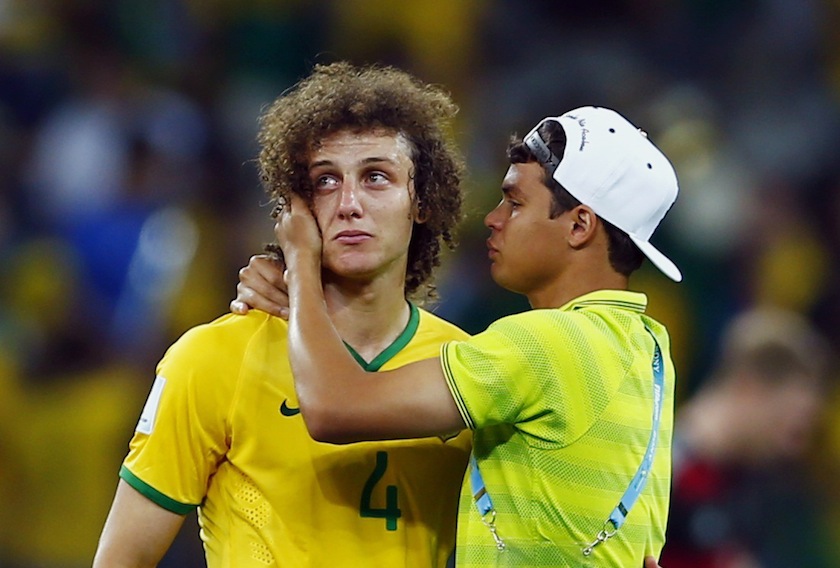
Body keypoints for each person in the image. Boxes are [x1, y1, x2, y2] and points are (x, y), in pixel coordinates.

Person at [94, 61, 473, 568]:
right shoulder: (212, 358)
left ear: (420, 201)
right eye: (325, 182)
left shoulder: (466, 367)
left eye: (376, 177)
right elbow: (123, 558)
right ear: (292, 210)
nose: (349, 204)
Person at [268, 106, 681, 566]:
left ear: (579, 226)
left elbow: (334, 408)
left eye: (516, 203)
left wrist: (300, 263)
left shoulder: (545, 344)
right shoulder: (650, 349)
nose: (493, 218)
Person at [660, 307, 834, 567]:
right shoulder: (663, 471)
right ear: (749, 387)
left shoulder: (748, 486)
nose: (792, 448)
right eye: (787, 426)